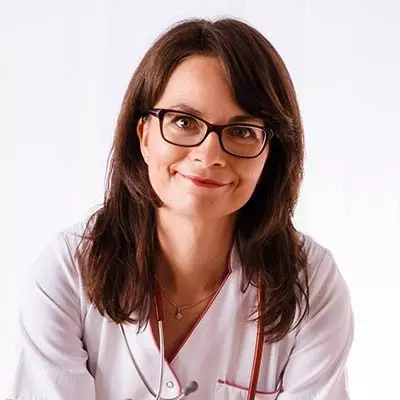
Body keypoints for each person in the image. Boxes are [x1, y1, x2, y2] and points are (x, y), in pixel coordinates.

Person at [9, 17, 354, 400]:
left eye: (242, 131)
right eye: (184, 122)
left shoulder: (312, 284)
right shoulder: (67, 272)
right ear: (144, 136)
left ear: (270, 154)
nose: (209, 154)